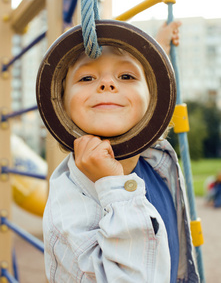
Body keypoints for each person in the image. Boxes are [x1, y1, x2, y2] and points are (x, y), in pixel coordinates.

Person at [42, 21, 199, 282]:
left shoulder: (153, 157)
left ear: (153, 97)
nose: (106, 84)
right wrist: (115, 188)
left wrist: (157, 47)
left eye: (126, 76)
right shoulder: (69, 204)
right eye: (87, 78)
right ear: (62, 105)